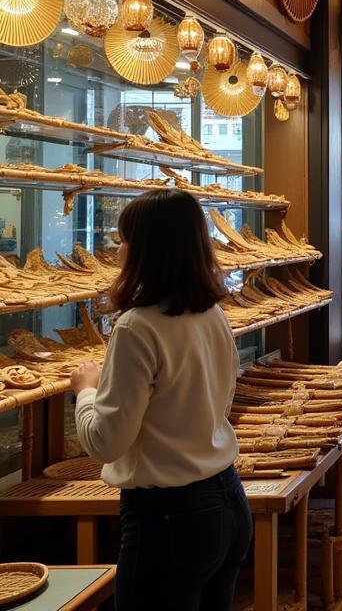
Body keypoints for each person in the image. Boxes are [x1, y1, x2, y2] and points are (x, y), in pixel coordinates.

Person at [70, 190, 251, 611]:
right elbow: (222, 404)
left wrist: (85, 390)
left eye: (125, 239)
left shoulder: (136, 328)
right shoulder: (212, 315)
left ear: (148, 249)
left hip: (169, 517)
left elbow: (106, 442)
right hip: (226, 500)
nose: (119, 250)